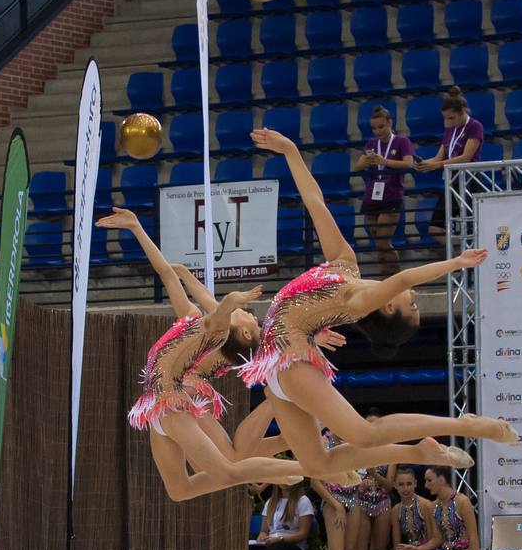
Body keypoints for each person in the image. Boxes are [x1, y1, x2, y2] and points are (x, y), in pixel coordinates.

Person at [101, 208, 467, 500]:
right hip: (194, 393)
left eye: (247, 314)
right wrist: (138, 230)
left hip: (215, 392)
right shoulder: (212, 327)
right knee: (200, 478)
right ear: (242, 328)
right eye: (248, 314)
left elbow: (269, 324)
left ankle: (306, 462)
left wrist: (313, 337)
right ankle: (306, 456)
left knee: (234, 458)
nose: (250, 312)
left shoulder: (227, 332)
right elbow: (177, 282)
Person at [239, 128, 516, 474]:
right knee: (317, 464)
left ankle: (469, 426)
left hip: (286, 360)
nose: (412, 297)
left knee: (363, 434)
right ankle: (419, 452)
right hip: (281, 359)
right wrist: (291, 150)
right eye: (416, 305)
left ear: (387, 306)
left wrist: (455, 263)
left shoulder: (359, 300)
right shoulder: (345, 263)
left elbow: (403, 279)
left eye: (410, 306)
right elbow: (315, 201)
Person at [411, 88, 483, 246]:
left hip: (469, 180)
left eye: (452, 118)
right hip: (452, 182)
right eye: (446, 119)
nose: (450, 122)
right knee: (435, 228)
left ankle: (471, 251)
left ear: (463, 111)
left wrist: (436, 165)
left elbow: (466, 157)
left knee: (472, 225)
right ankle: (464, 252)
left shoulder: (474, 126)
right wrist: (423, 164)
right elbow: (439, 157)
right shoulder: (450, 129)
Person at [358, 105, 416, 275]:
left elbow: (408, 163)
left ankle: (396, 277)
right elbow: (358, 166)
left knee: (383, 241)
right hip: (372, 196)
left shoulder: (401, 141)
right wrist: (367, 161)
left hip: (391, 195)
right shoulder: (371, 143)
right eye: (374, 128)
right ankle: (387, 278)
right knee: (378, 242)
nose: (377, 131)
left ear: (389, 122)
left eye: (381, 127)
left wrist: (385, 162)